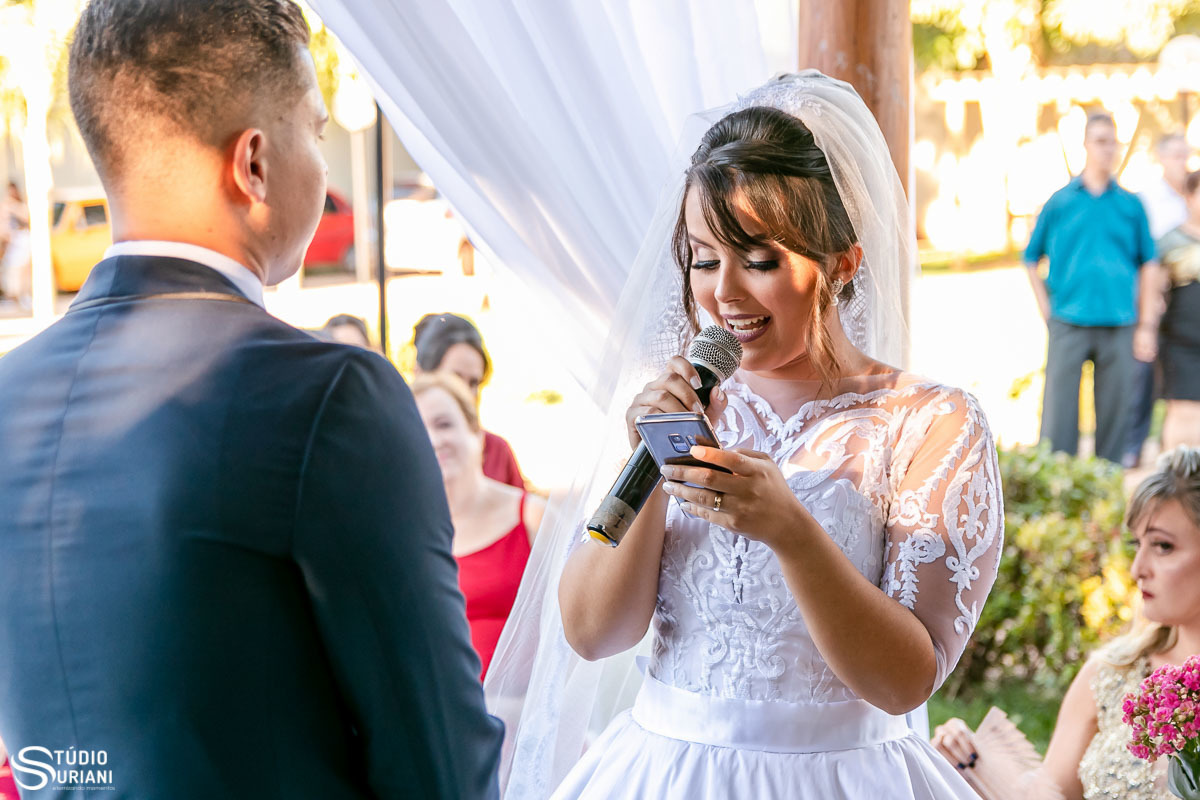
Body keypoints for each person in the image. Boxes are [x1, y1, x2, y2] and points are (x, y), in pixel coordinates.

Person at [0, 2, 502, 797]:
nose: (326, 160)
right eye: (315, 126)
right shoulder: (331, 396)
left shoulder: (7, 393)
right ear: (254, 164)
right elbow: (436, 756)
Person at [491, 72, 1004, 800]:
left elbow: (905, 680)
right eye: (704, 259)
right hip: (666, 773)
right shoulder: (682, 403)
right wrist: (656, 457)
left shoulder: (929, 423)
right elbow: (592, 631)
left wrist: (791, 529)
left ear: (843, 264)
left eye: (759, 260)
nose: (723, 293)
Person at [933, 446, 1200, 799]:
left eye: (1163, 546)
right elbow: (1049, 793)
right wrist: (973, 763)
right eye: (1137, 545)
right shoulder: (1111, 673)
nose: (1138, 569)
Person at [1025, 112, 1164, 464]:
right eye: (1100, 141)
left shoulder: (1131, 205)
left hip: (1119, 321)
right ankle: (1058, 487)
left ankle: (1107, 489)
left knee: (1116, 416)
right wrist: (1047, 310)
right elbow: (1030, 257)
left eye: (1112, 142)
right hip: (1068, 320)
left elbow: (1149, 263)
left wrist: (1146, 324)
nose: (1107, 149)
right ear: (1086, 145)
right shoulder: (1060, 202)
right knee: (1059, 419)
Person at [412, 373, 545, 677]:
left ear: (477, 434)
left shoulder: (533, 517)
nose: (433, 440)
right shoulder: (401, 537)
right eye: (418, 431)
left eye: (444, 424)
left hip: (522, 713)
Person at [1126, 134, 1191, 467]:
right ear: (1161, 158)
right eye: (1177, 155)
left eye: (1187, 154)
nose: (1183, 161)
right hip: (1157, 301)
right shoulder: (1148, 200)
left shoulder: (1191, 196)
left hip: (1186, 305)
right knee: (1144, 377)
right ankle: (1133, 447)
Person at [412, 312, 525, 489]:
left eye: (474, 382)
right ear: (420, 375)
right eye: (454, 379)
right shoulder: (400, 449)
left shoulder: (497, 452)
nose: (464, 392)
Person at [1153, 171, 1200, 453]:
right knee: (1184, 412)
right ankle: (1178, 483)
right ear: (1188, 197)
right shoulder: (1170, 241)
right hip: (1181, 340)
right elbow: (1154, 291)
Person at [0, 181, 31, 310]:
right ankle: (14, 296)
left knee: (23, 271)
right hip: (12, 243)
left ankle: (23, 296)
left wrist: (14, 207)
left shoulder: (19, 206)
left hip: (22, 240)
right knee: (11, 271)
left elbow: (26, 217)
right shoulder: (6, 206)